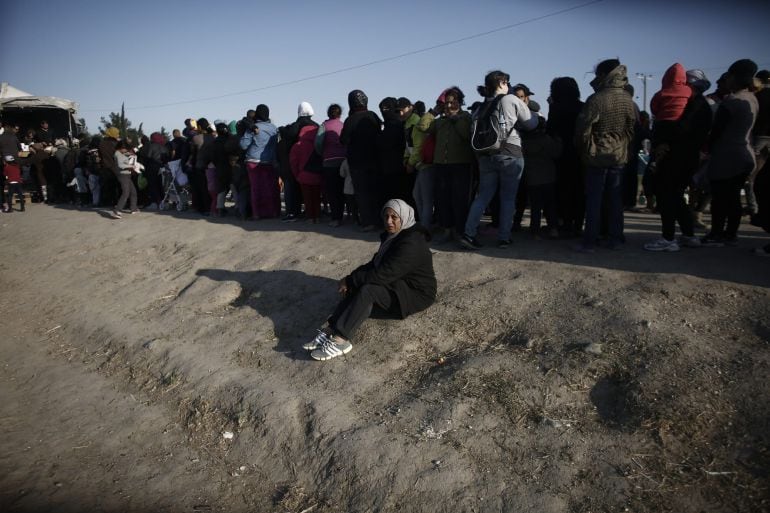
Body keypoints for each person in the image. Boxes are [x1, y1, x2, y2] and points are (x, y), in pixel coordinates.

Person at [303, 199, 436, 361]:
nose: (389, 221)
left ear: (404, 217)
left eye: (394, 217)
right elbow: (376, 263)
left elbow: (383, 274)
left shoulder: (412, 243)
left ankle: (341, 339)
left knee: (368, 289)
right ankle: (331, 329)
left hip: (416, 293)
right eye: (386, 216)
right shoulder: (395, 236)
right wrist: (350, 279)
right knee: (359, 285)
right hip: (399, 283)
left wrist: (352, 280)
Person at [461, 72, 537, 249]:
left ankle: (469, 233)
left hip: (485, 156)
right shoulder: (510, 99)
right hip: (510, 152)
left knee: (483, 197)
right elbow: (531, 124)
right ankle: (504, 237)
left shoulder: (480, 107)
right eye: (507, 82)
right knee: (508, 198)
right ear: (502, 83)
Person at [574, 58, 637, 252]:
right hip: (619, 154)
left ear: (603, 75)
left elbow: (583, 130)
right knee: (615, 199)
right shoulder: (628, 99)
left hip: (597, 154)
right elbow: (631, 129)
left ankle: (589, 241)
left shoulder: (597, 99)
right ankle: (616, 238)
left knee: (594, 199)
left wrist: (585, 150)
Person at [702, 59, 759, 247]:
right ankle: (730, 233)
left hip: (727, 155)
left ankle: (717, 233)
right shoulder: (752, 99)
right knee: (733, 197)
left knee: (720, 197)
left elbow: (717, 131)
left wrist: (706, 149)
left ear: (733, 78)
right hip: (746, 154)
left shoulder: (732, 102)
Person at [428, 86, 474, 243]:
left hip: (461, 165)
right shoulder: (440, 121)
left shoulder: (466, 117)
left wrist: (455, 119)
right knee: (443, 199)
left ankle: (460, 231)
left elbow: (466, 135)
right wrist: (434, 111)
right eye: (446, 103)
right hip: (441, 165)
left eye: (452, 102)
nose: (448, 106)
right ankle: (447, 230)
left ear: (460, 102)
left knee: (460, 200)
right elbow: (422, 126)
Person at [547, 77, 585, 237]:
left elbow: (550, 130)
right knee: (579, 189)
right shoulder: (583, 107)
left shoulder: (556, 108)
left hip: (561, 154)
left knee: (562, 189)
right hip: (580, 153)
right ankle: (578, 224)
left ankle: (564, 222)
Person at [340, 90, 383, 231]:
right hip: (375, 160)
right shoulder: (373, 116)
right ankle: (379, 220)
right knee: (375, 191)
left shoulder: (350, 120)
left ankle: (368, 222)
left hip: (358, 163)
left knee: (362, 193)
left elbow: (343, 140)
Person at [278, 102, 318, 221]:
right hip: (313, 161)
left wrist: (281, 129)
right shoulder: (316, 126)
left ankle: (293, 213)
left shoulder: (295, 126)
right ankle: (313, 212)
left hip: (295, 163)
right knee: (312, 190)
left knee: (292, 188)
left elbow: (288, 137)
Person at [315, 103, 346, 226]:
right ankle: (347, 215)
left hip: (329, 162)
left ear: (328, 113)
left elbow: (318, 143)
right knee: (343, 190)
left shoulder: (324, 126)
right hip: (344, 161)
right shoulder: (343, 125)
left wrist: (323, 153)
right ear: (340, 114)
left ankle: (336, 218)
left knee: (332, 192)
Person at [290, 118, 323, 223]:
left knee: (307, 198)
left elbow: (293, 162)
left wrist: (297, 175)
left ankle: (310, 217)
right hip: (317, 175)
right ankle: (317, 216)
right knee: (316, 197)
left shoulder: (297, 146)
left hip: (304, 175)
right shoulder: (319, 144)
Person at [111, 140, 138, 218]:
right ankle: (117, 211)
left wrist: (129, 154)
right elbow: (120, 165)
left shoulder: (121, 153)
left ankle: (133, 208)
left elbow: (125, 155)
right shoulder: (118, 154)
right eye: (126, 149)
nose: (127, 150)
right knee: (126, 192)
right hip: (123, 175)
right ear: (121, 148)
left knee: (133, 191)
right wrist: (131, 166)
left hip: (127, 175)